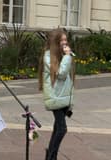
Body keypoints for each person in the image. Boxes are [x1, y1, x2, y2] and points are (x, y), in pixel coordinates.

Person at [38, 28, 75, 160]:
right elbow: (61, 74)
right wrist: (67, 56)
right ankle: (51, 156)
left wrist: (66, 56)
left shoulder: (61, 56)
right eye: (62, 40)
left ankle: (51, 155)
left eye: (66, 39)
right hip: (56, 99)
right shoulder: (48, 56)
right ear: (55, 42)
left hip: (63, 98)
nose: (65, 42)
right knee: (61, 129)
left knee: (57, 128)